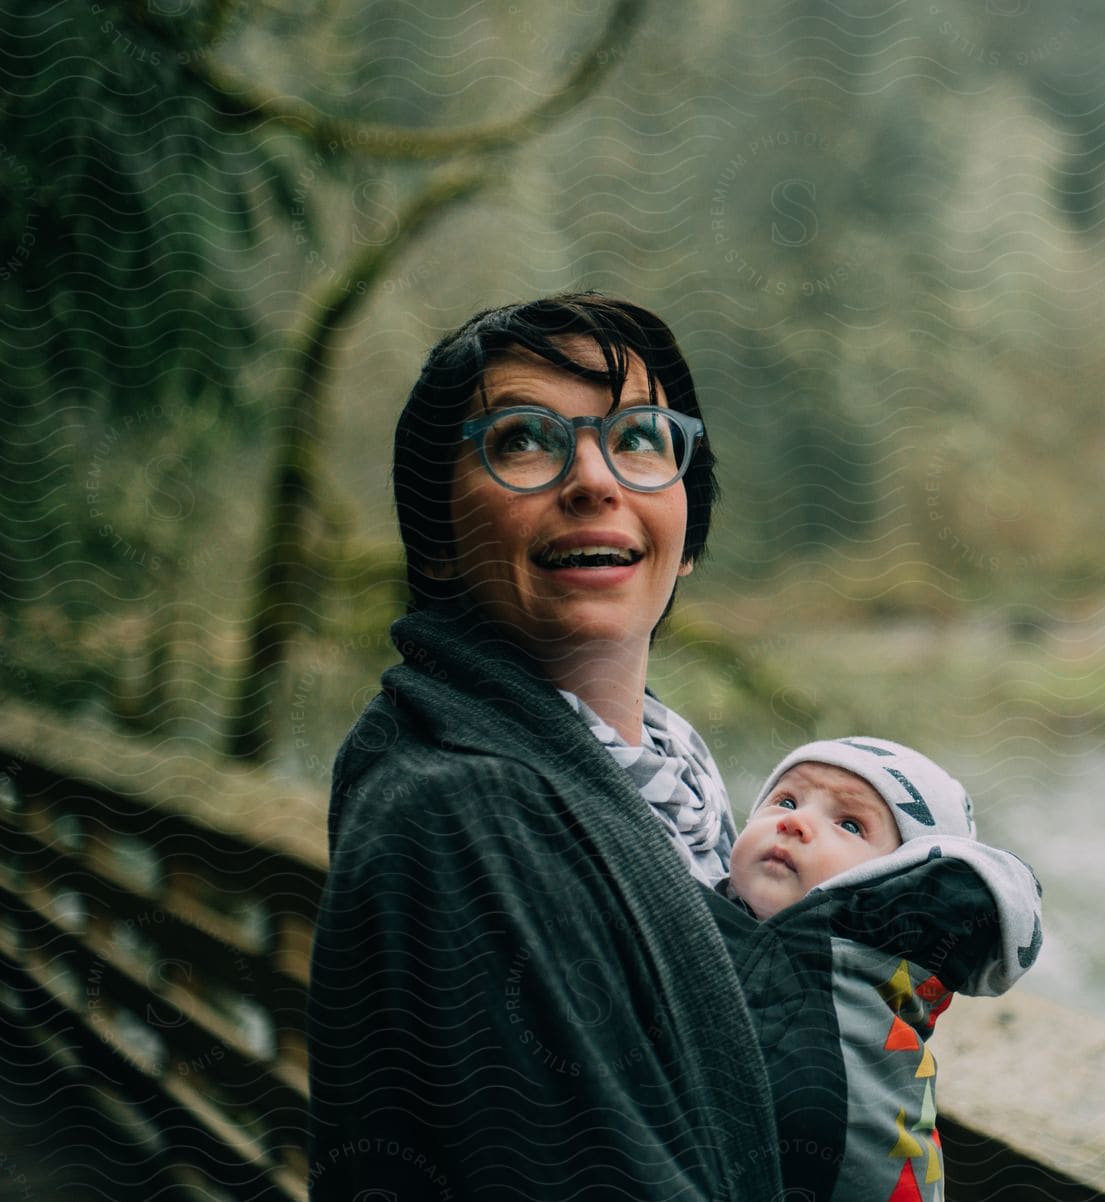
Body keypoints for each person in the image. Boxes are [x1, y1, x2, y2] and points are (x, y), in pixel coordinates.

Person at [306, 293, 783, 1201]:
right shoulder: (457, 812)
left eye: (640, 436)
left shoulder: (673, 784)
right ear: (437, 538)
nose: (596, 480)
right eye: (523, 438)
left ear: (686, 534)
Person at [708, 737, 1042, 1202]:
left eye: (849, 823)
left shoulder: (858, 984)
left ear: (900, 878)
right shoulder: (701, 919)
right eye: (786, 799)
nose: (795, 822)